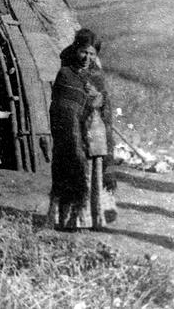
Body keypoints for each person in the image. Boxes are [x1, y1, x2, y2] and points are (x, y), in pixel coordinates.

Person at [48, 28, 117, 230]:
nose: (87, 57)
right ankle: (72, 220)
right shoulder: (65, 74)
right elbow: (63, 108)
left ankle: (95, 219)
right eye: (83, 52)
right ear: (76, 49)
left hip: (95, 135)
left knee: (94, 176)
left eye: (92, 53)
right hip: (74, 136)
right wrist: (87, 102)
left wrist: (99, 98)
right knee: (76, 171)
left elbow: (105, 105)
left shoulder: (97, 75)